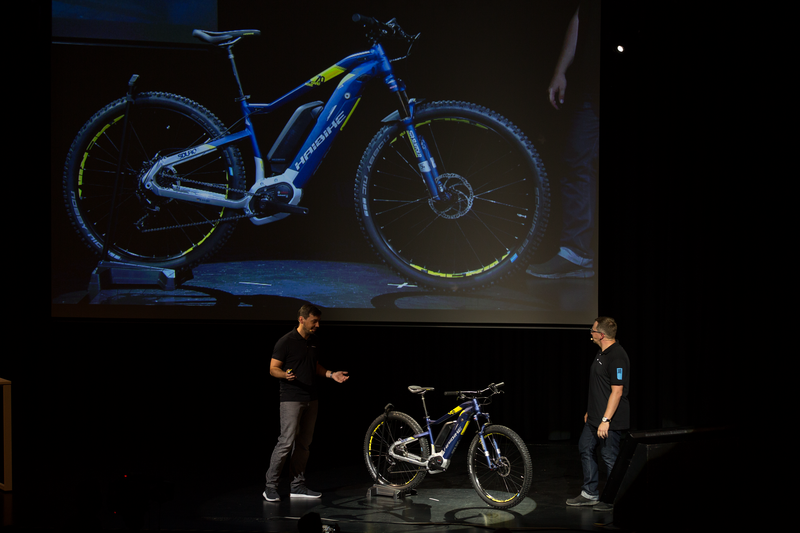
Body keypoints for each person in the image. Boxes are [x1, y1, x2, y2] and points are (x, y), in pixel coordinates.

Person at [528, 1, 599, 279]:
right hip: (592, 88)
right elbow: (580, 17)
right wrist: (560, 71)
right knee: (576, 160)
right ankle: (576, 253)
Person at [263, 304, 349, 502]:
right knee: (286, 442)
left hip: (311, 398)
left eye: (318, 321)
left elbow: (314, 366)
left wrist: (331, 374)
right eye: (314, 321)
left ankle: (297, 486)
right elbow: (273, 368)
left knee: (304, 444)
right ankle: (270, 487)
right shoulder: (286, 341)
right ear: (301, 320)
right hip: (291, 398)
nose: (317, 325)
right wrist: (285, 375)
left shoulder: (314, 341)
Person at [567, 316, 630, 510]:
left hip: (609, 420)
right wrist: (591, 410)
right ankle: (590, 493)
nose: (591, 333)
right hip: (595, 417)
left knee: (610, 456)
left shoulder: (617, 356)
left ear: (601, 335)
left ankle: (615, 498)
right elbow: (600, 386)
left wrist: (605, 419)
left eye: (593, 331)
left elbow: (617, 392)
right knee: (585, 447)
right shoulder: (601, 353)